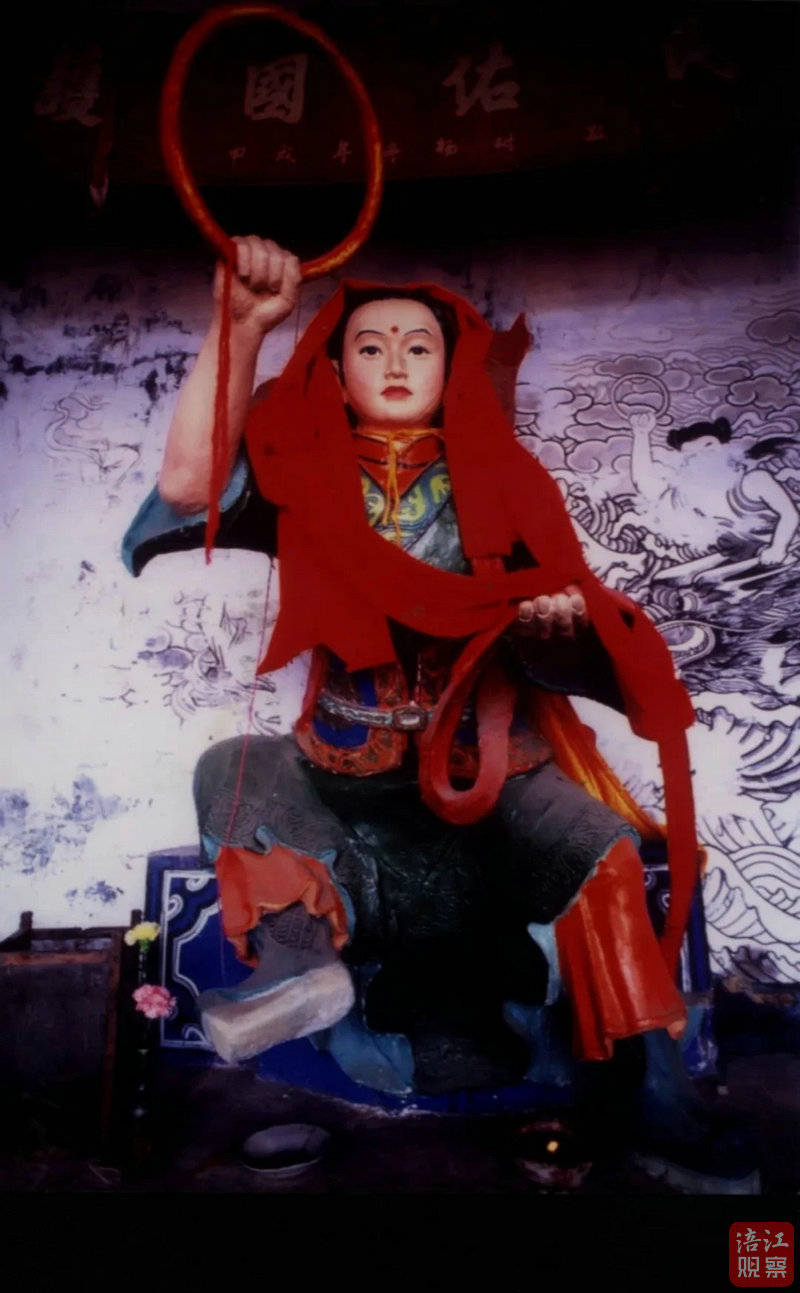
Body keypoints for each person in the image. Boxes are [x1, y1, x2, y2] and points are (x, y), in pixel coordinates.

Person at [127, 238, 698, 1098]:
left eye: (418, 346)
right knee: (231, 768)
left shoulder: (505, 482)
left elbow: (578, 627)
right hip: (343, 758)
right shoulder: (295, 469)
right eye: (371, 346)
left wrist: (558, 627)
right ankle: (297, 968)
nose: (395, 363)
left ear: (449, 366)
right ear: (337, 371)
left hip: (488, 764)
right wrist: (240, 329)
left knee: (603, 852)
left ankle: (651, 1090)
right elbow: (185, 485)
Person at [626, 409, 799, 585]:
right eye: (692, 454)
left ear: (725, 446)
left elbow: (789, 514)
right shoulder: (689, 493)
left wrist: (778, 548)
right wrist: (641, 434)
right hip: (743, 552)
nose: (702, 456)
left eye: (708, 447)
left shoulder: (753, 480)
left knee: (706, 581)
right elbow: (645, 484)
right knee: (663, 580)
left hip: (784, 545)